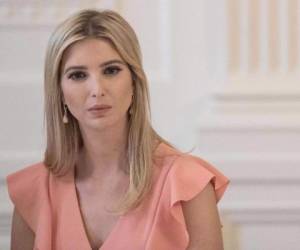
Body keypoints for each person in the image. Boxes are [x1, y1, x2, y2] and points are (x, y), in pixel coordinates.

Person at [6, 8, 229, 250]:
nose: (97, 89)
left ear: (134, 81)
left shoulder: (187, 184)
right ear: (59, 92)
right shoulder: (34, 192)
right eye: (78, 75)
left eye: (111, 70)